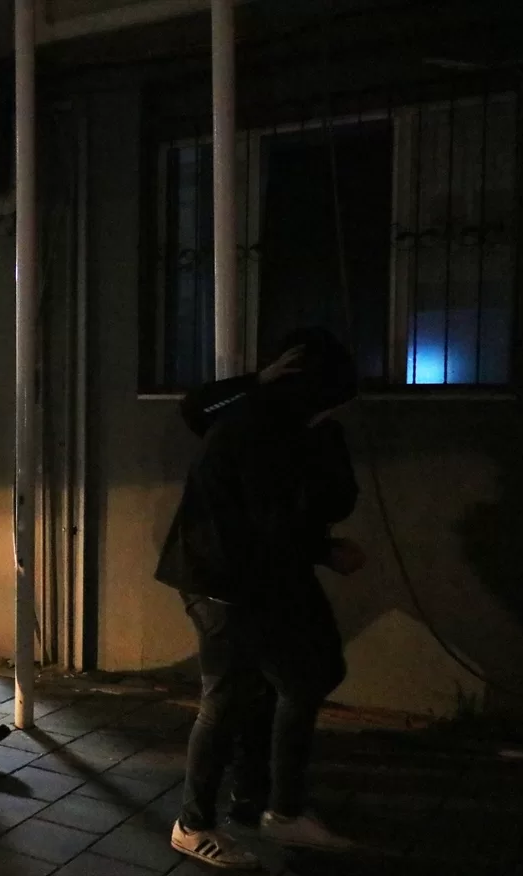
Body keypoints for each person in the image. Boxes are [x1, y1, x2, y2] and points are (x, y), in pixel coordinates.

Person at [156, 327, 366, 869]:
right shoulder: (259, 426)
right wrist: (326, 550)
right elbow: (273, 517)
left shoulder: (277, 422)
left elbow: (307, 507)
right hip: (223, 580)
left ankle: (269, 805)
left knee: (296, 678)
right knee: (231, 697)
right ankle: (195, 824)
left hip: (251, 574)